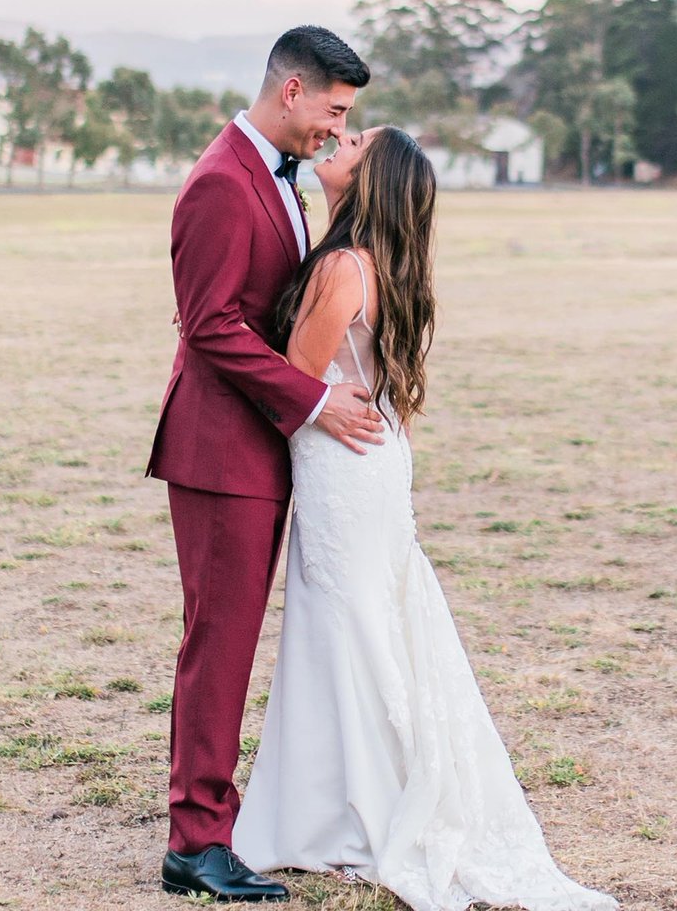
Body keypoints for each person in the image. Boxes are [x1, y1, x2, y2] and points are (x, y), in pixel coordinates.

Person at [232, 126, 619, 911]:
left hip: (344, 466)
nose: (338, 140)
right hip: (374, 460)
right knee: (366, 627)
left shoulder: (342, 267)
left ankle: (353, 811)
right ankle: (341, 800)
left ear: (368, 180)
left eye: (356, 141)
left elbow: (296, 381)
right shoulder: (386, 264)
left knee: (344, 631)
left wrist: (223, 340)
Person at [147, 25, 384, 903]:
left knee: (236, 642)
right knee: (220, 645)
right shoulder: (218, 183)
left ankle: (221, 817)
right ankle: (196, 843)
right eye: (334, 109)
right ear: (293, 91)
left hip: (261, 447)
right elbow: (209, 329)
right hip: (220, 452)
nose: (335, 128)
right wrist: (316, 402)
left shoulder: (279, 178)